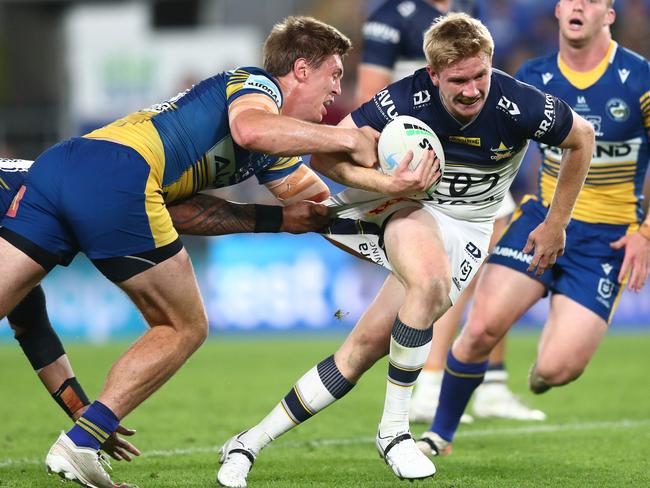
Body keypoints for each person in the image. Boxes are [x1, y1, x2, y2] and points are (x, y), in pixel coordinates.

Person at [0, 16, 428, 488]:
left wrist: (401, 238)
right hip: (118, 173)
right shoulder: (254, 85)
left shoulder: (275, 152)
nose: (337, 89)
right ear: (301, 69)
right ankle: (83, 442)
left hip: (64, 169)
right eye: (335, 73)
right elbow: (250, 130)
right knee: (184, 326)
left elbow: (320, 211)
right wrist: (347, 137)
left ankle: (84, 436)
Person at [217, 12, 594, 486]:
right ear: (433, 75)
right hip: (409, 207)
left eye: (480, 76)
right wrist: (385, 182)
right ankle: (395, 432)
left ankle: (247, 442)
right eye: (458, 80)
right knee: (431, 282)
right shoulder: (403, 99)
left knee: (361, 350)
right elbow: (328, 156)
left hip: (470, 229)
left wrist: (557, 222)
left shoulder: (519, 104)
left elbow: (582, 139)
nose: (473, 90)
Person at [416, 0, 650, 458]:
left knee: (555, 371)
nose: (579, 6)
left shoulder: (640, 78)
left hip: (607, 239)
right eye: (571, 0)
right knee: (482, 326)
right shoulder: (532, 77)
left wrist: (646, 232)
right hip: (541, 223)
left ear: (610, 14)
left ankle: (544, 362)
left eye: (592, 1)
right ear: (559, 12)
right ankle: (438, 435)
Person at [0, 157, 331, 463]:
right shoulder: (82, 188)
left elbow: (30, 324)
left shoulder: (55, 194)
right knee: (184, 326)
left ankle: (90, 428)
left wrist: (82, 412)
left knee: (184, 326)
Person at [357, 0, 542, 424]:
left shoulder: (465, 11)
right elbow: (371, 94)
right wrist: (391, 158)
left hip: (471, 147)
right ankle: (433, 379)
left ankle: (490, 379)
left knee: (493, 251)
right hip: (421, 153)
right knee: (450, 264)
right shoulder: (393, 16)